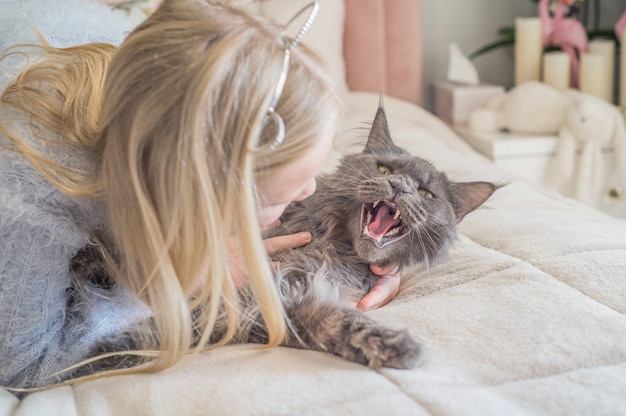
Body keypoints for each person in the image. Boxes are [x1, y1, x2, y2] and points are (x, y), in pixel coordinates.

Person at [0, 0, 400, 393]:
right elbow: (26, 363)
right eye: (285, 192)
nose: (310, 191)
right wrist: (176, 277)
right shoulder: (32, 193)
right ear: (202, 191)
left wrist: (389, 252)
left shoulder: (172, 85)